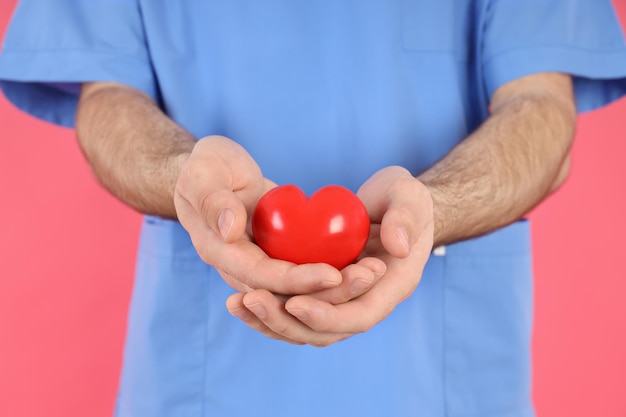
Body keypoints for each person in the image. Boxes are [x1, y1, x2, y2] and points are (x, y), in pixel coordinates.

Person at [1, 1, 626, 416]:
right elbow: (108, 95)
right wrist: (185, 177)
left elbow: (540, 106)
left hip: (442, 381)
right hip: (203, 380)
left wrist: (430, 207)